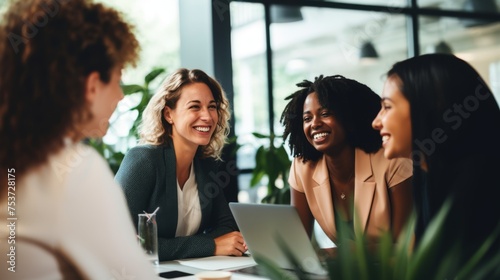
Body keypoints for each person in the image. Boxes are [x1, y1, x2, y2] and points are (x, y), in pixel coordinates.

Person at [0, 0, 158, 279]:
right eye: (118, 79)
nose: (121, 95)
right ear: (93, 85)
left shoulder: (14, 163)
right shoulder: (73, 170)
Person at [372, 53, 500, 267]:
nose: (376, 122)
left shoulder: (483, 186)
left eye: (387, 107)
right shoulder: (426, 170)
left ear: (431, 106)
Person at [115, 68, 247, 261]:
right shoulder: (143, 161)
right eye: (195, 107)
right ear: (169, 114)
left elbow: (226, 227)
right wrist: (209, 245)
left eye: (212, 107)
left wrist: (173, 247)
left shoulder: (206, 164)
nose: (208, 117)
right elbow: (121, 241)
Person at [280, 75, 413, 248]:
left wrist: (345, 254)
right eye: (307, 118)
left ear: (349, 116)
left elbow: (406, 246)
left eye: (325, 114)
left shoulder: (392, 161)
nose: (315, 124)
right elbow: (297, 243)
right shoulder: (303, 168)